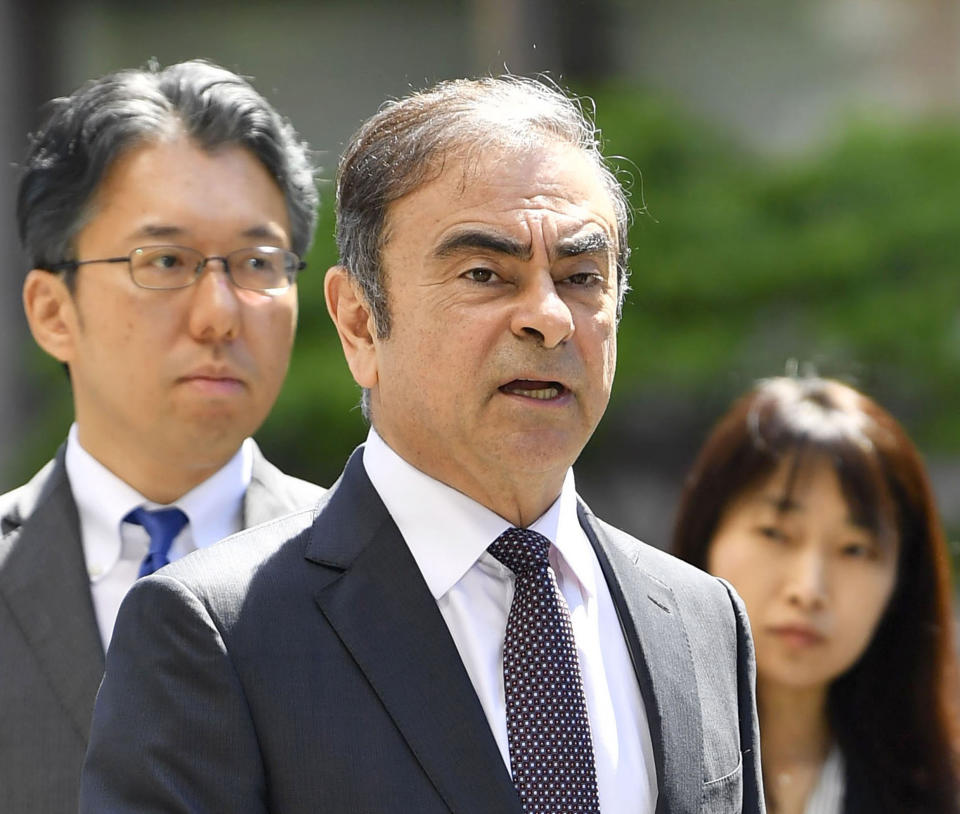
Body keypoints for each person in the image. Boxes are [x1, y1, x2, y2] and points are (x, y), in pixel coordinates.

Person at [81, 76, 764, 814]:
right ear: (359, 323)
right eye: (484, 274)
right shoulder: (215, 634)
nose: (548, 317)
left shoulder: (703, 622)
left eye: (581, 277)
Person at [0, 60, 325, 814]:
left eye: (256, 263)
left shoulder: (382, 578)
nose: (218, 313)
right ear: (53, 311)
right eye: (166, 262)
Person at [672, 376, 960, 813]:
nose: (809, 590)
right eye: (775, 533)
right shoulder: (627, 752)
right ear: (706, 534)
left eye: (854, 549)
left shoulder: (937, 787)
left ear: (902, 580)